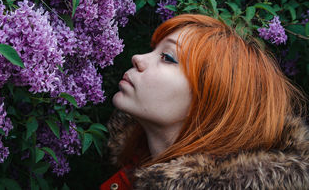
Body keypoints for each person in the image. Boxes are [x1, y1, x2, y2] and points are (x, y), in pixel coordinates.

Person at [100, 14, 309, 190]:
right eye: (153, 49)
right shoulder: (133, 170)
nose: (138, 57)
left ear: (211, 103)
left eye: (168, 57)